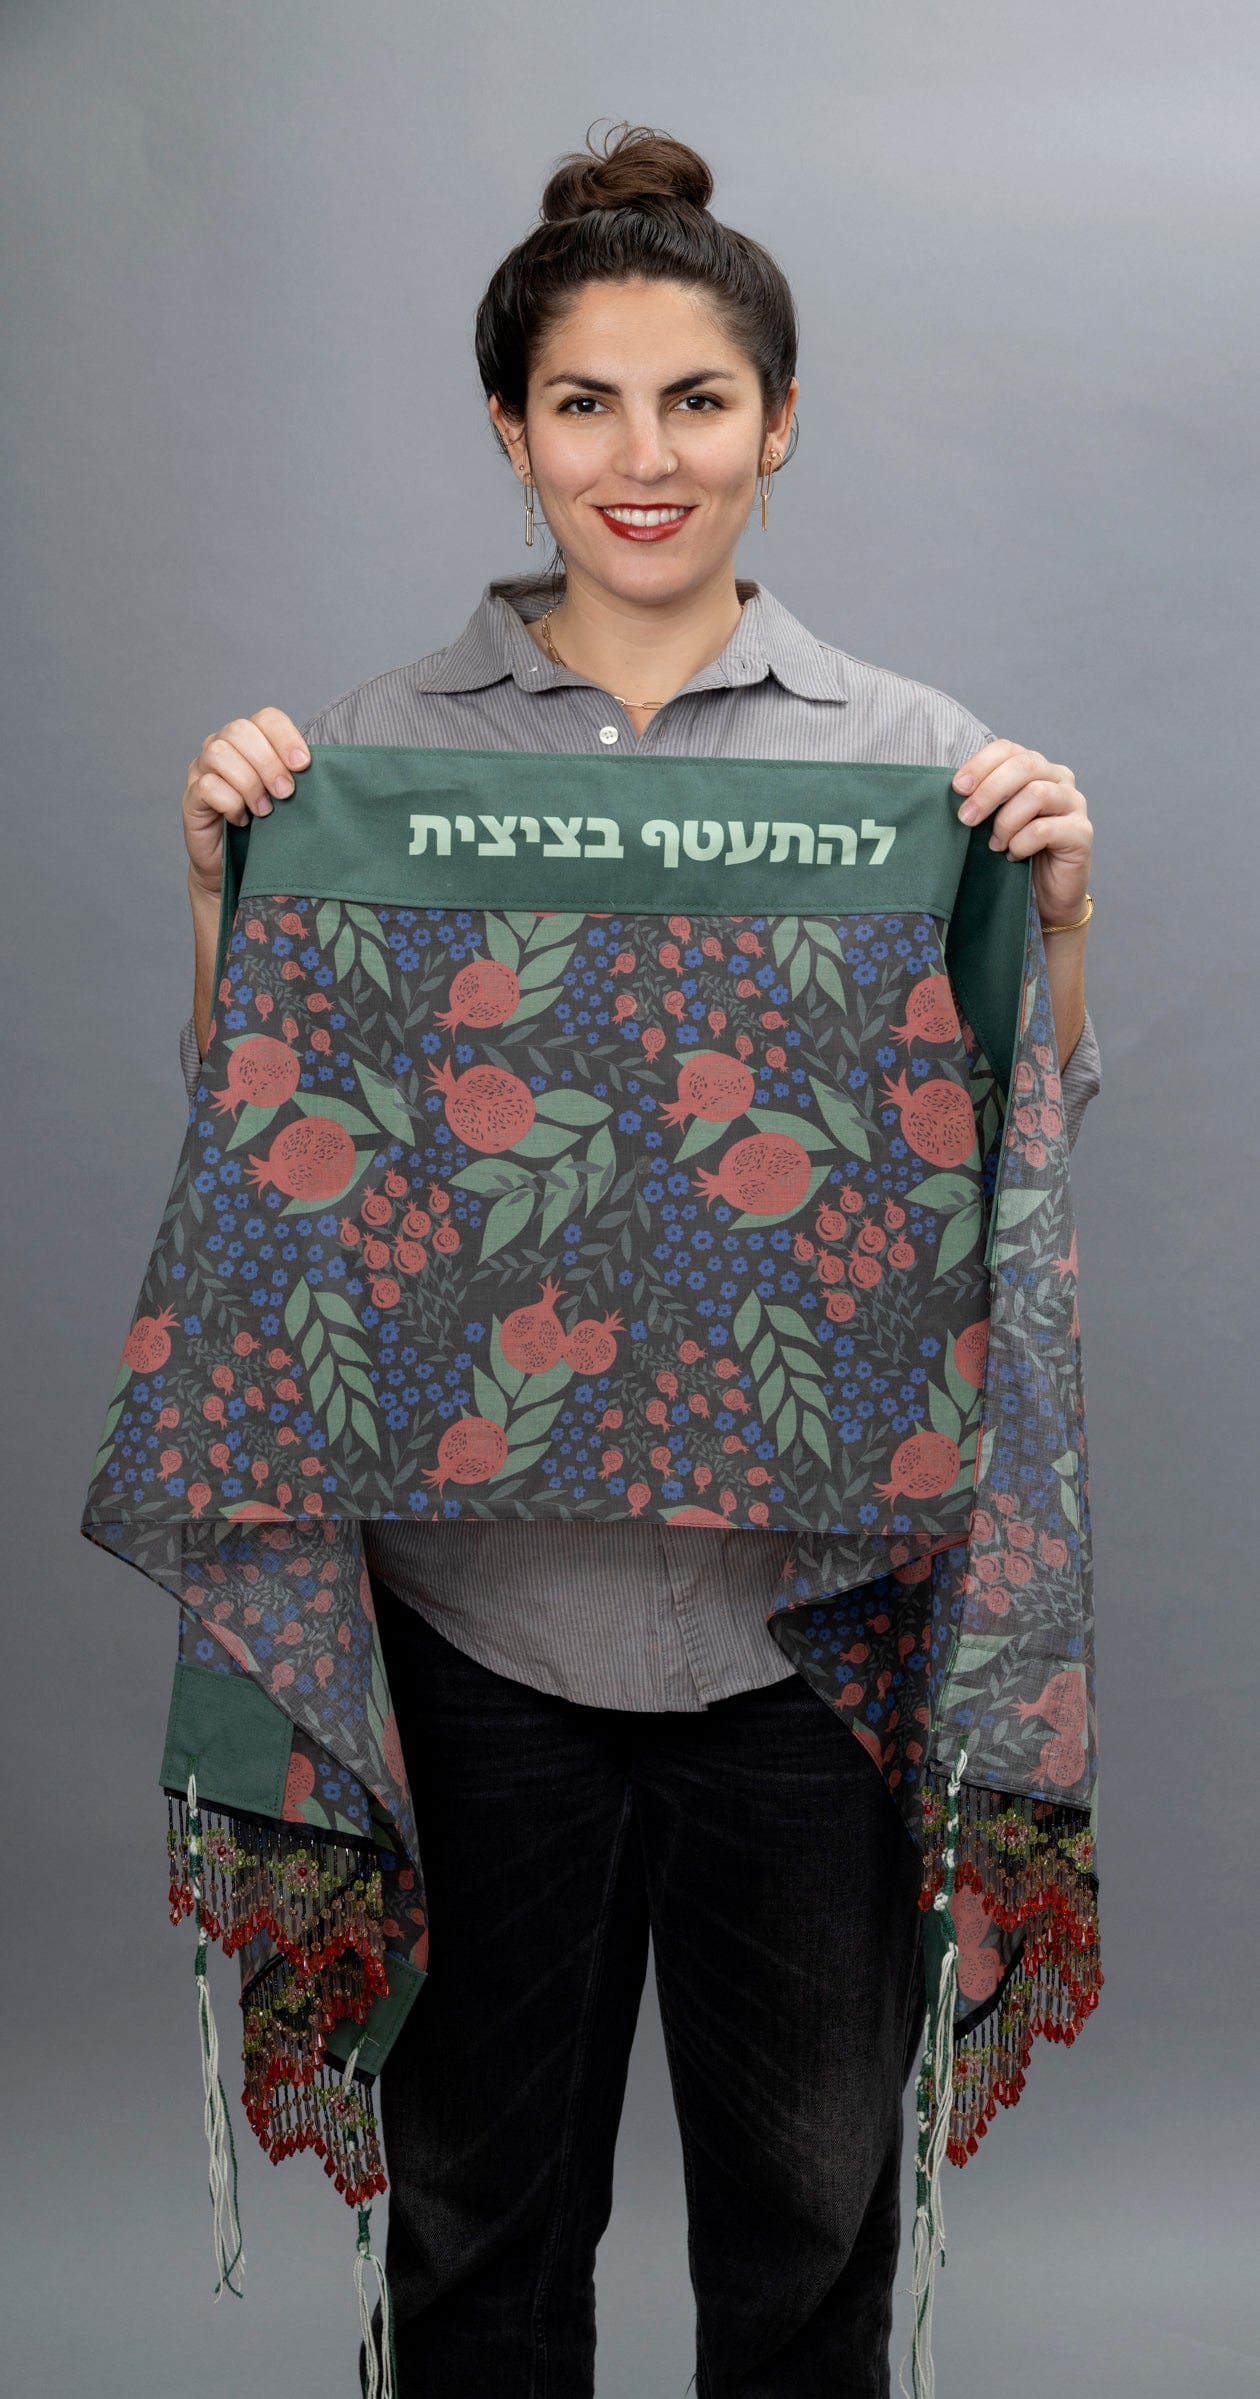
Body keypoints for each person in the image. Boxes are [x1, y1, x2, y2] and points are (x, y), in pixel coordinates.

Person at [177, 121, 1099, 2399]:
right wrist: (224, 892)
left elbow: (1004, 1165)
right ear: (512, 433)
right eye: (584, 402)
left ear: (779, 427)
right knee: (478, 2232)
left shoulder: (923, 766)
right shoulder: (362, 756)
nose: (643, 456)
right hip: (475, 1625)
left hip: (808, 1637)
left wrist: (1058, 920)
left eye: (697, 400)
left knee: (804, 2240)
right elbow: (271, 1167)